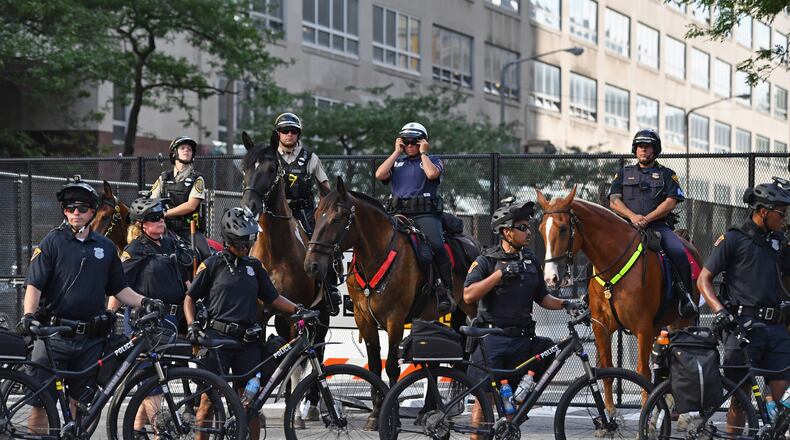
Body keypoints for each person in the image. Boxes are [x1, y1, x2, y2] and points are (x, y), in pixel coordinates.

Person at [18, 176, 163, 433]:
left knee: (80, 405)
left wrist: (146, 302)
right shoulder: (52, 243)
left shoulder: (106, 248)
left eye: (82, 208)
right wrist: (29, 315)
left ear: (92, 211)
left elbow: (120, 289)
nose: (75, 213)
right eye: (69, 208)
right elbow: (34, 285)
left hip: (91, 340)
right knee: (41, 404)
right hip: (54, 336)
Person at [463, 199, 583, 439]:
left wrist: (568, 304)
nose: (528, 232)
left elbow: (543, 298)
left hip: (522, 340)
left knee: (549, 350)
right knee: (483, 404)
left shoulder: (530, 261)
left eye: (528, 227)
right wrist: (499, 274)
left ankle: (515, 405)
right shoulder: (486, 260)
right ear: (506, 231)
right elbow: (468, 295)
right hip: (492, 339)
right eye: (522, 228)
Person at [184, 207, 301, 440]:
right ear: (229, 240)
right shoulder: (212, 264)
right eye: (242, 240)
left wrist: (299, 310)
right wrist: (192, 326)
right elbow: (189, 298)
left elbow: (274, 298)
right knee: (207, 402)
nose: (247, 245)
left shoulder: (255, 267)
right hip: (216, 341)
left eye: (250, 239)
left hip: (247, 343)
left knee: (250, 405)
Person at [698, 181, 790, 429]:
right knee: (740, 402)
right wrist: (719, 311)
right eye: (781, 212)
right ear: (763, 211)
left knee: (783, 398)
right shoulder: (733, 238)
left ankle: (771, 411)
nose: (785, 218)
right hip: (743, 329)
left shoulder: (780, 242)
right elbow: (703, 279)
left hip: (777, 329)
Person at [108, 197, 194, 432]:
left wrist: (196, 312)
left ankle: (136, 431)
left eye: (161, 217)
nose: (161, 222)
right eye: (154, 218)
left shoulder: (170, 245)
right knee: (151, 380)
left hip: (172, 320)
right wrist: (108, 314)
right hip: (146, 321)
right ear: (142, 224)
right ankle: (161, 432)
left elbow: (186, 282)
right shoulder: (135, 249)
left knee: (159, 377)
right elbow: (118, 286)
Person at [608, 128, 697, 318]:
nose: (643, 150)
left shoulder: (667, 174)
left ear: (655, 150)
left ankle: (685, 298)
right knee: (601, 249)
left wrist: (647, 219)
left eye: (647, 147)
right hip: (626, 227)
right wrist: (632, 217)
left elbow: (671, 201)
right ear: (635, 149)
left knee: (679, 252)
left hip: (657, 227)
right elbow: (614, 200)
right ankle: (590, 297)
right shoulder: (623, 173)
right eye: (640, 147)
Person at [374, 122, 454, 313]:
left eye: (414, 142)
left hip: (424, 214)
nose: (410, 146)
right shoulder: (398, 161)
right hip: (398, 214)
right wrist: (395, 152)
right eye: (406, 142)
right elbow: (379, 174)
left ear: (423, 142)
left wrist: (424, 153)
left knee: (436, 244)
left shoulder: (433, 159)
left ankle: (445, 289)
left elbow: (432, 174)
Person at [270, 112, 341, 312]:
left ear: (298, 134)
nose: (289, 134)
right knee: (247, 239)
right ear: (278, 134)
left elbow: (326, 189)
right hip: (275, 215)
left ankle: (330, 288)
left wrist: (326, 209)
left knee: (321, 243)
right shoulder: (269, 157)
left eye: (293, 131)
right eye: (285, 131)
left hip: (303, 212)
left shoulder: (311, 158)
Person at [149, 135, 212, 262]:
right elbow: (152, 199)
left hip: (188, 230)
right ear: (174, 153)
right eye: (182, 148)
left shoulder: (197, 178)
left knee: (207, 256)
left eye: (189, 149)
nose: (186, 151)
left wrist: (165, 213)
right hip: (164, 227)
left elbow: (191, 205)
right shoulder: (164, 177)